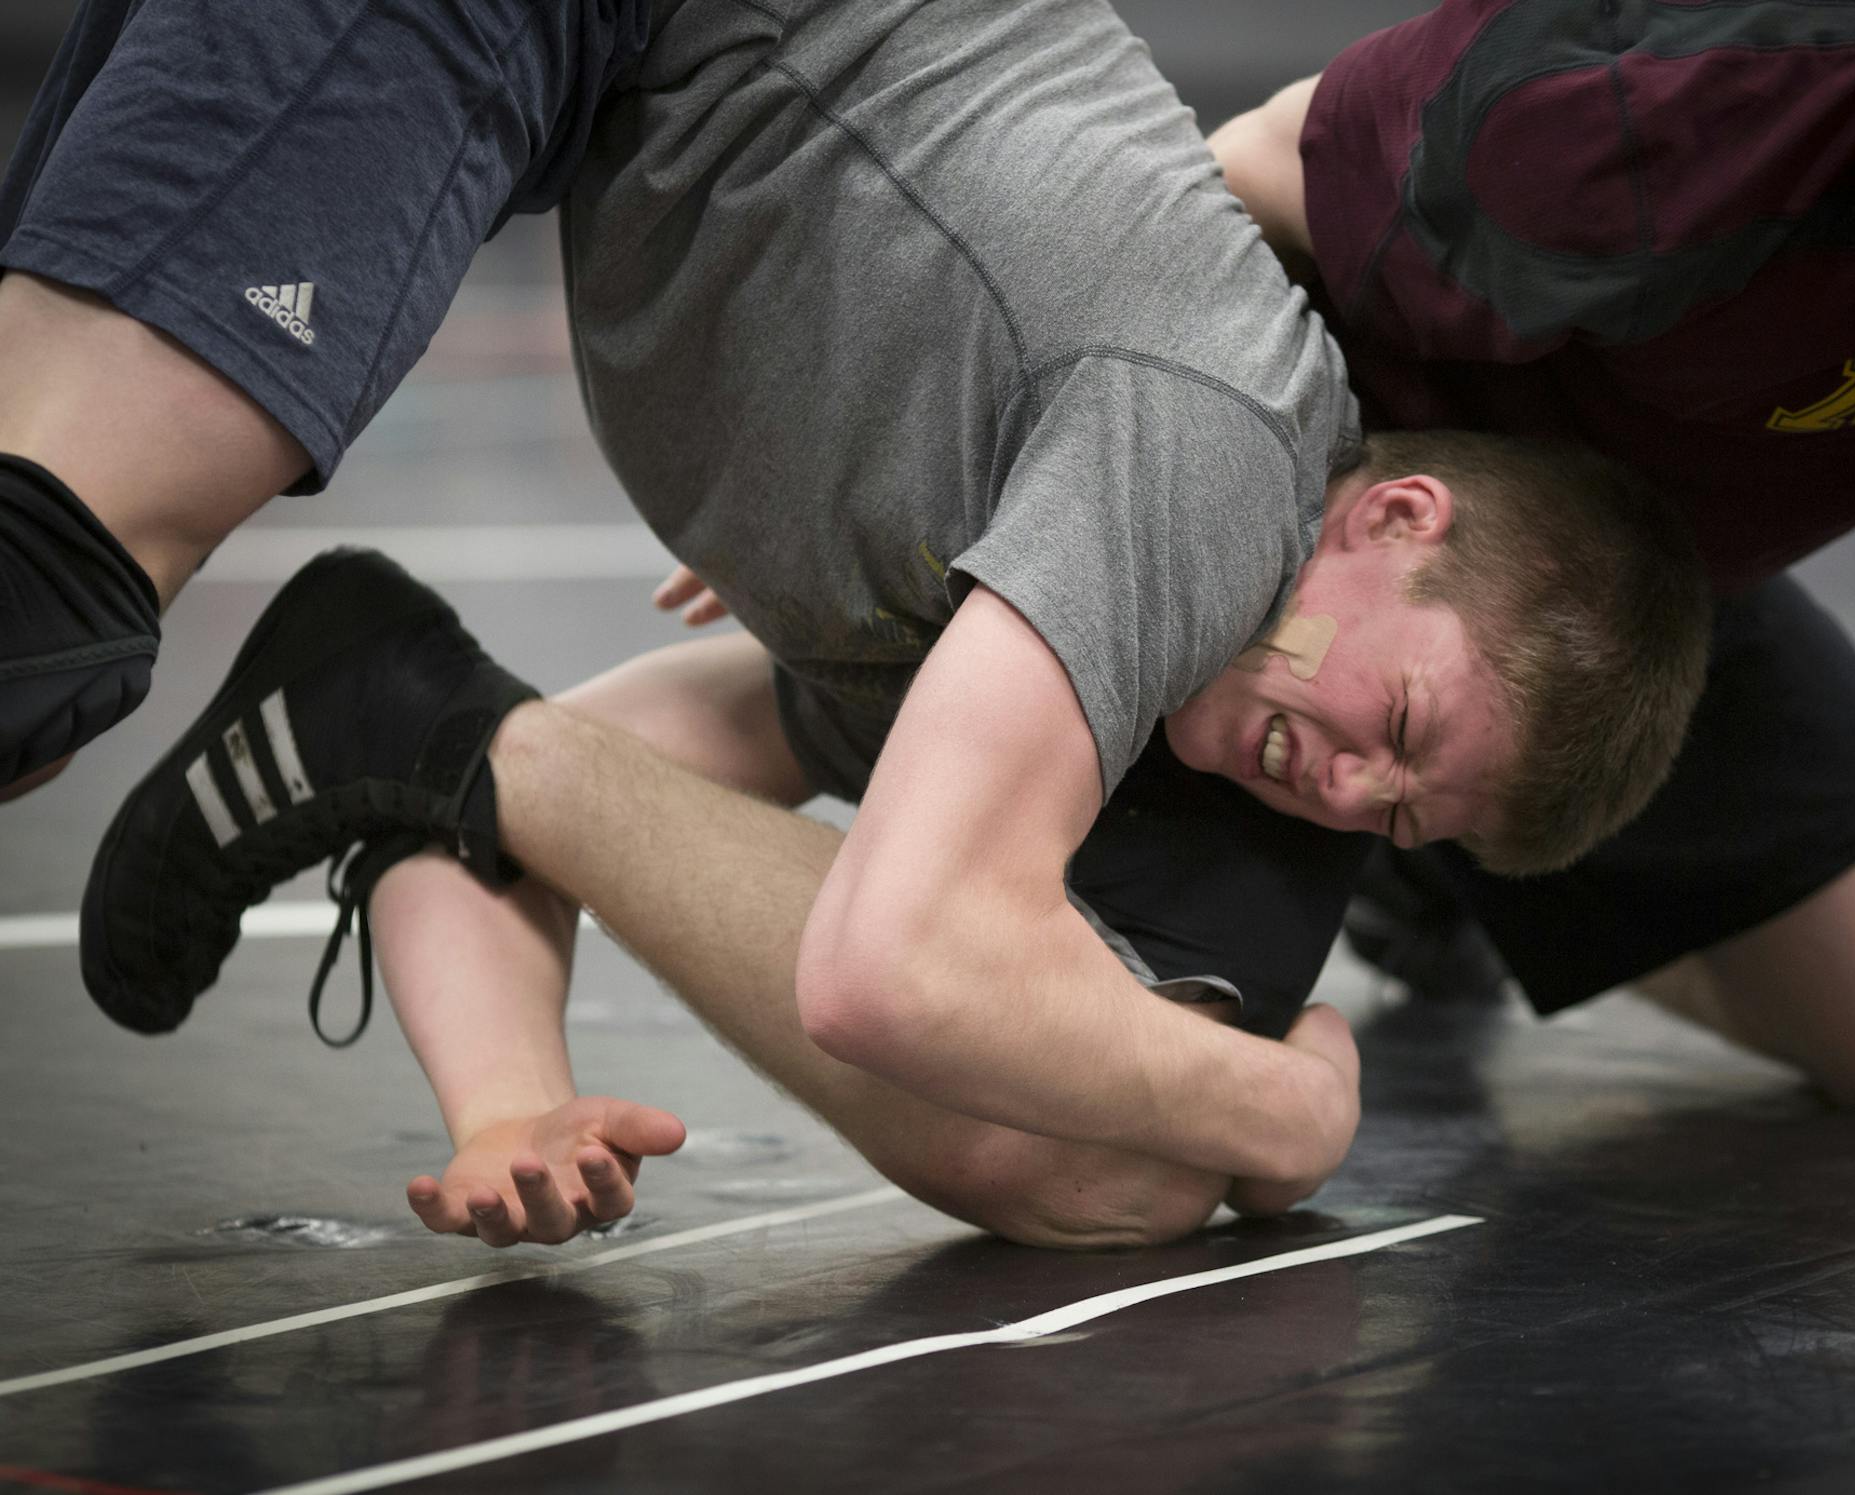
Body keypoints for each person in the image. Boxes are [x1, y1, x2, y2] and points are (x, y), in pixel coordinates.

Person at [50, 0, 1711, 1247]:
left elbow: (513, 785)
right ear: (1394, 516)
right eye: (1401, 735)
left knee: (1118, 1172)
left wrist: (509, 1097)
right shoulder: (1219, 462)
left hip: (600, 77)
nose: (1350, 799)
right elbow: (887, 974)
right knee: (33, 632)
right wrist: (1296, 1112)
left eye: (1403, 816)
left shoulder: (1064, 606)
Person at [1205, 0, 1855, 1113]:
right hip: (1364, 558)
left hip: (1621, 575)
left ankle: (1438, 846)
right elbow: (1244, 175)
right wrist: (1205, 563)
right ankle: (1406, 768)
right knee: (1127, 1142)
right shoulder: (1645, 119)